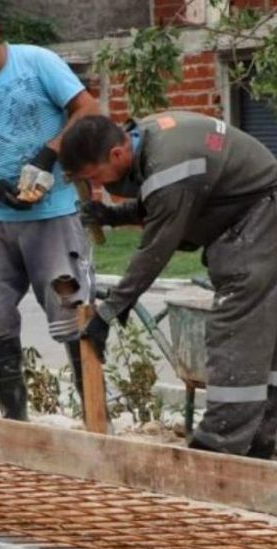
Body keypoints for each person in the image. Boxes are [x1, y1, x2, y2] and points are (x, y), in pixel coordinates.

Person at [59, 111, 277, 458]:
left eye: (94, 176)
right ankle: (263, 439)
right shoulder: (145, 140)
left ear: (116, 154)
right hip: (254, 210)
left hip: (260, 218)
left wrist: (109, 311)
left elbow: (156, 247)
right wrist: (114, 215)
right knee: (264, 336)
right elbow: (165, 203)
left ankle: (218, 447)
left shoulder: (171, 166)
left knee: (235, 327)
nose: (98, 186)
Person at [0, 3, 100, 420]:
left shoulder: (38, 63)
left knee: (72, 315)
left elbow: (86, 109)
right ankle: (15, 420)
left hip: (53, 216)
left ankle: (96, 419)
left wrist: (50, 155)